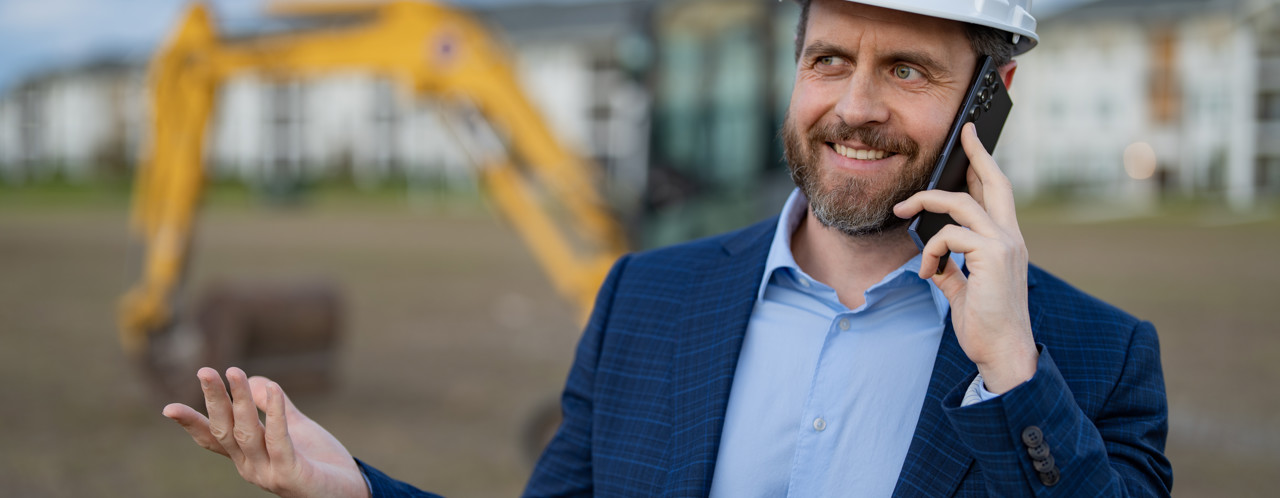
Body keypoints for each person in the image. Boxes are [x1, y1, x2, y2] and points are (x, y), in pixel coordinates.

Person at [162, 0, 1174, 496]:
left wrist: (1010, 369)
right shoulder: (645, 301)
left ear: (986, 98)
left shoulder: (1088, 360)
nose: (853, 107)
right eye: (828, 59)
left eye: (906, 69)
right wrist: (360, 490)